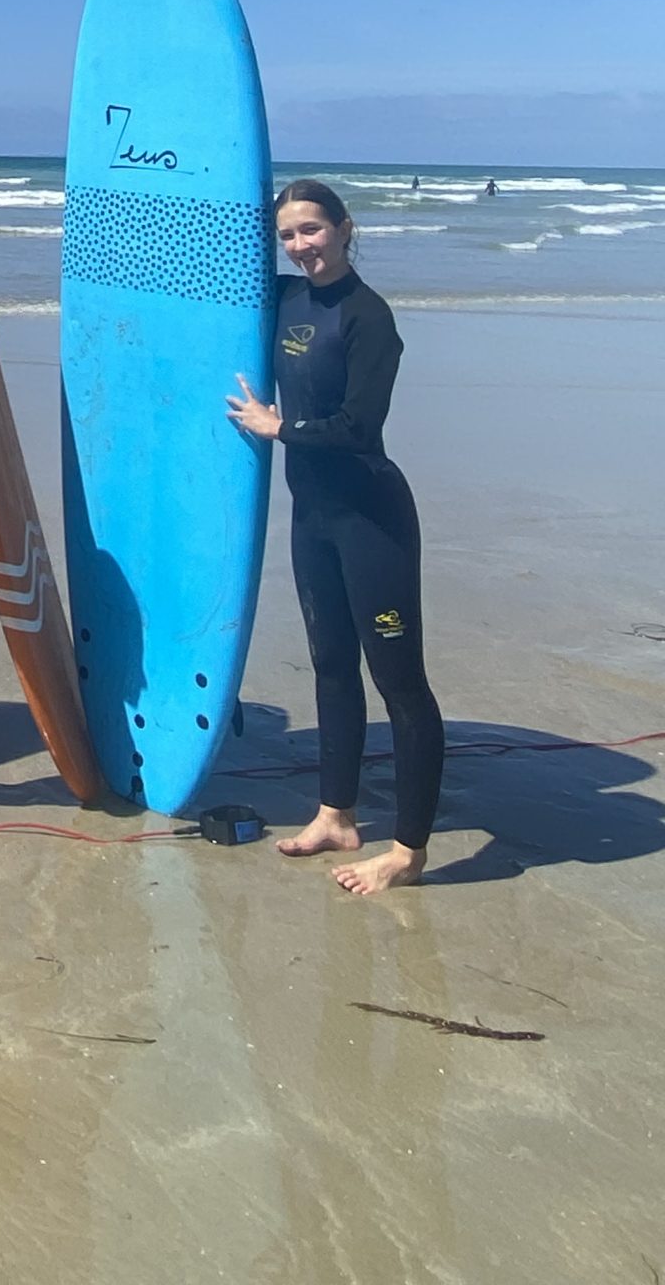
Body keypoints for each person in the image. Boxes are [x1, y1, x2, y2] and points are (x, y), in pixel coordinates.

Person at [227, 180, 445, 895]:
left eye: (313, 230)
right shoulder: (287, 300)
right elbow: (222, 262)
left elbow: (357, 427)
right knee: (329, 666)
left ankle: (408, 851)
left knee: (399, 683)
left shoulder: (368, 317)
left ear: (345, 230)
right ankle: (337, 815)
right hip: (314, 517)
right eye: (288, 235)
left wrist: (277, 427)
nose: (300, 246)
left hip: (370, 520)